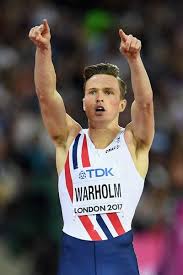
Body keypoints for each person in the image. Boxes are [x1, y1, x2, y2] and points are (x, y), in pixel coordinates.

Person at [29, 18, 154, 275]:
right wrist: (43, 52)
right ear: (84, 101)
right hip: (76, 258)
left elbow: (145, 105)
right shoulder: (69, 138)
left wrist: (135, 60)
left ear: (121, 104)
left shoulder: (133, 142)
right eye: (93, 91)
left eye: (108, 92)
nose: (99, 97)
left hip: (118, 258)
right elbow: (46, 96)